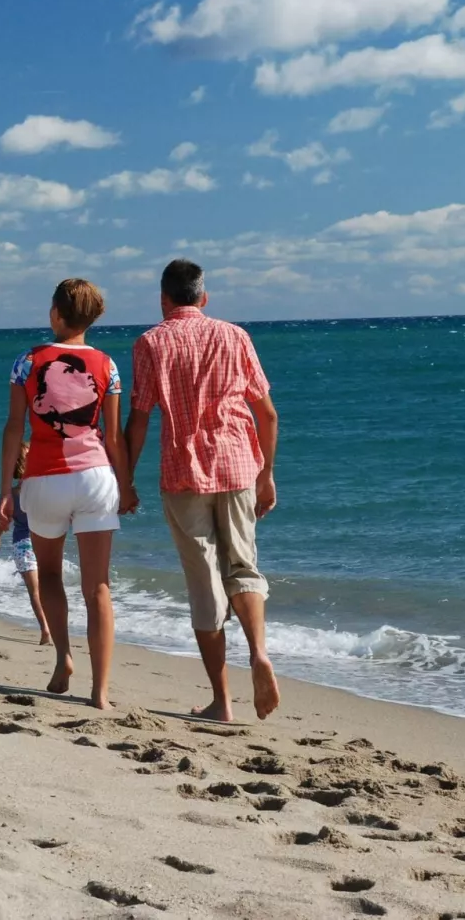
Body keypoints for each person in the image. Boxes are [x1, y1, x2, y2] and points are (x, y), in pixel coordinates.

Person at [125, 259, 281, 721]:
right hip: (238, 468)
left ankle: (222, 701)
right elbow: (267, 414)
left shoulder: (150, 342)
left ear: (163, 299)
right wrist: (267, 473)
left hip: (183, 473)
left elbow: (139, 417)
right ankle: (258, 653)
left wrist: (125, 479)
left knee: (205, 586)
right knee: (244, 567)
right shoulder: (235, 336)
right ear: (204, 298)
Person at [0, 278, 134, 710]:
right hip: (95, 477)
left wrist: (5, 489)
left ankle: (63, 659)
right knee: (99, 588)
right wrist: (126, 485)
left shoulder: (28, 361)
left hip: (43, 480)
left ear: (56, 314)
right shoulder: (108, 365)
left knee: (51, 575)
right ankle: (101, 692)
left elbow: (15, 427)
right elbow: (113, 436)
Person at [0, 441, 53, 646]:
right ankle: (50, 628)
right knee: (46, 588)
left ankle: (46, 629)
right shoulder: (41, 489)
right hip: (40, 542)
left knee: (36, 590)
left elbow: (2, 520)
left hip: (24, 545)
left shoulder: (13, 494)